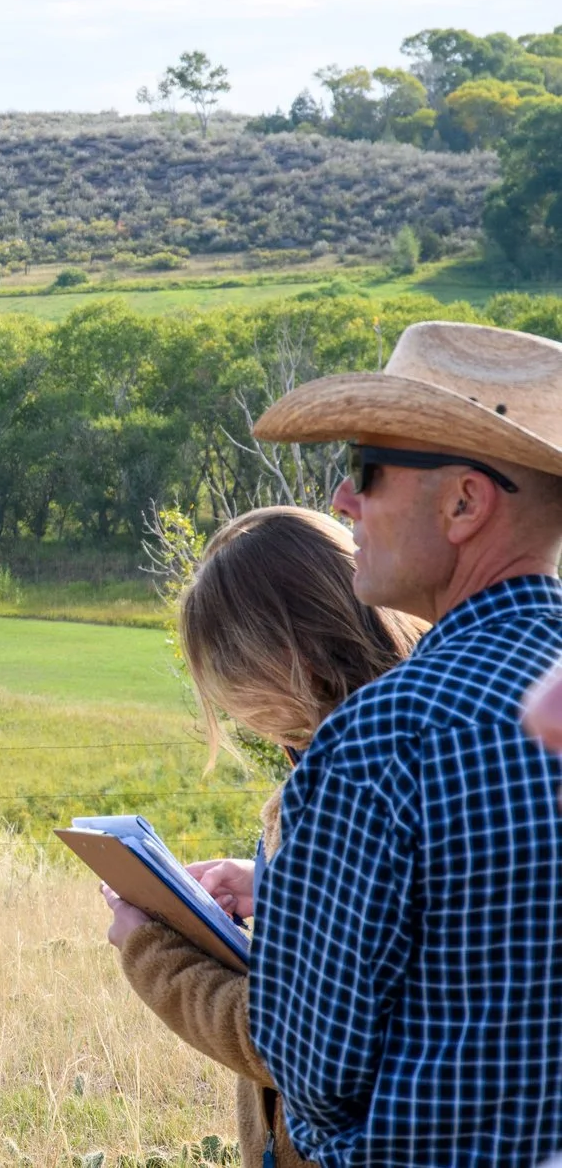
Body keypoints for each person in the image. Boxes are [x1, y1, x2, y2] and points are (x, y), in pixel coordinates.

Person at [245, 320, 562, 1166]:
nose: (342, 500)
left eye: (366, 469)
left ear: (465, 503)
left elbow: (311, 1068)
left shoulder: (387, 737)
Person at [100, 506, 422, 1168]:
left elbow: (290, 1043)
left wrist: (149, 950)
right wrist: (272, 884)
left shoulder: (345, 786)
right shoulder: (421, 735)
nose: (239, 717)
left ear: (280, 664)